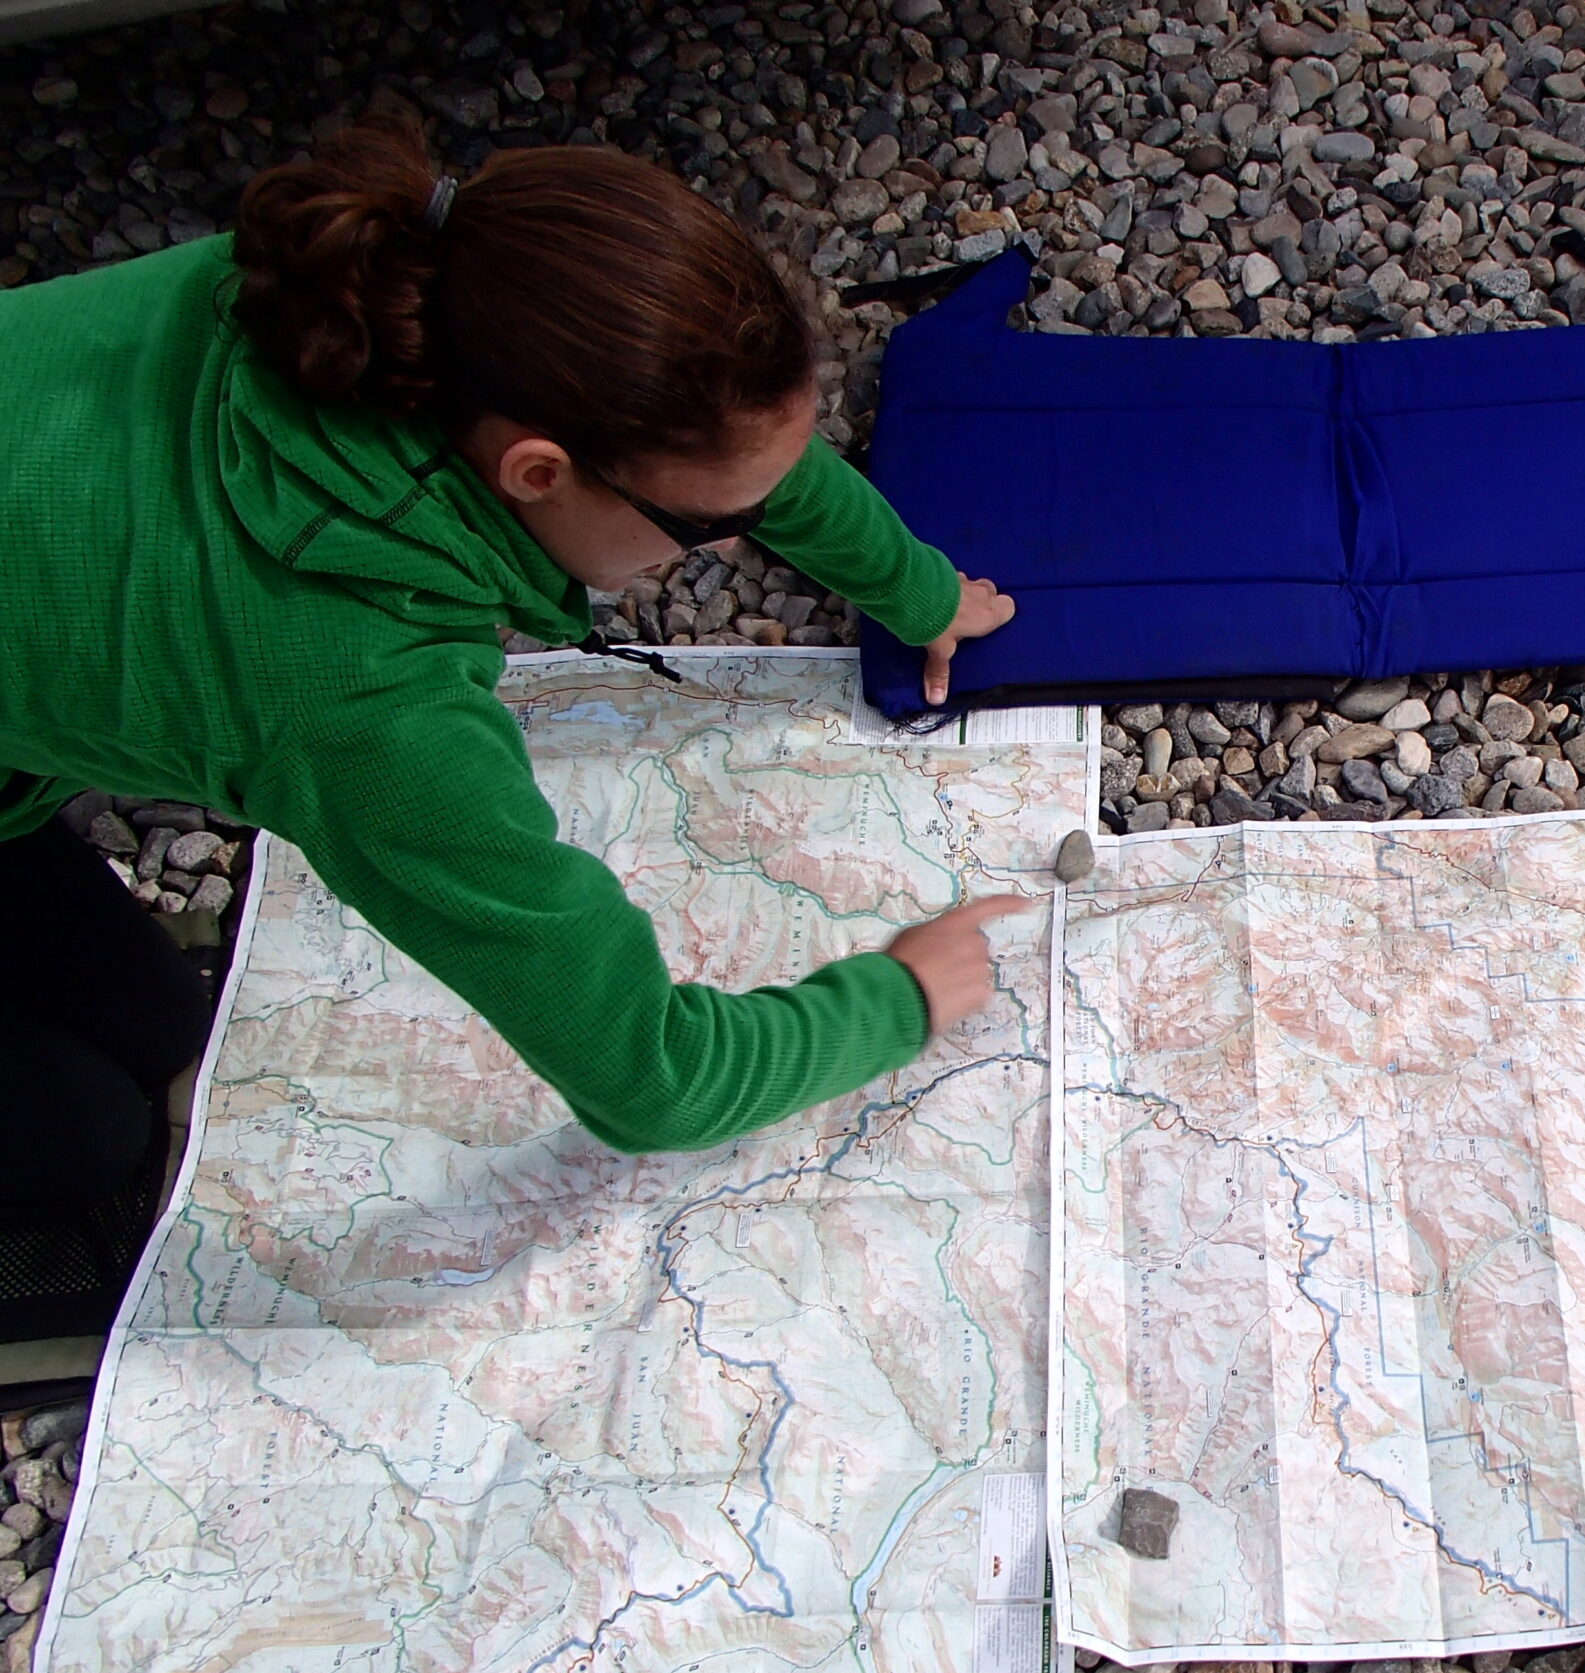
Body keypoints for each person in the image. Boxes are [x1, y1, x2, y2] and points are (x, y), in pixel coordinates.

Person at [0, 114, 1028, 1328]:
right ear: (536, 471)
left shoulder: (361, 293)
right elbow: (653, 1083)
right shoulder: (358, 690)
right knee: (88, 1141)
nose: (727, 542)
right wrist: (900, 998)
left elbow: (731, 447)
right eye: (708, 531)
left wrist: (916, 591)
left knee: (157, 1020)